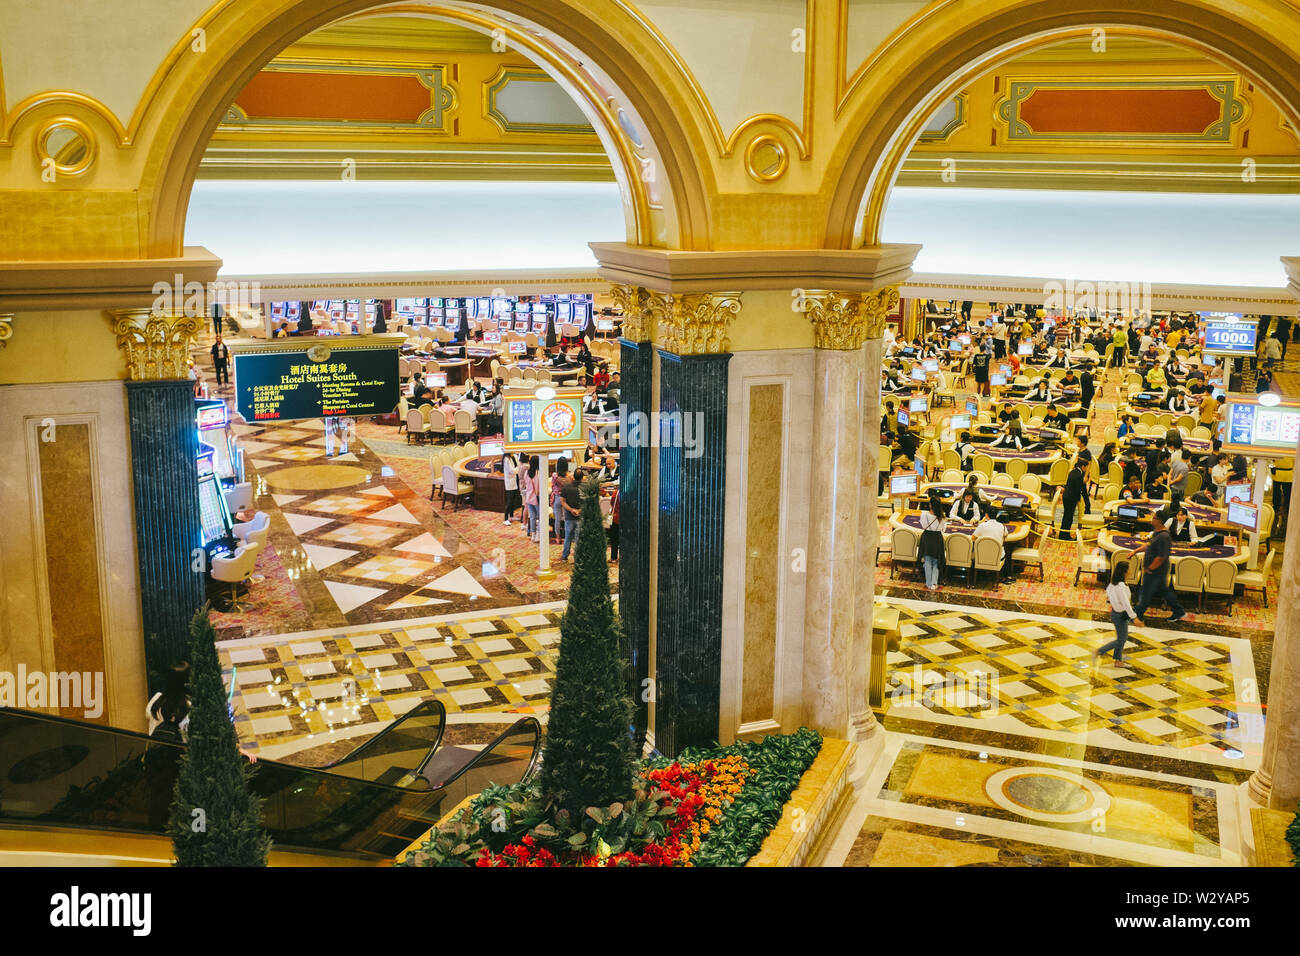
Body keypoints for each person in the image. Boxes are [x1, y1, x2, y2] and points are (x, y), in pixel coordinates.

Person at [1131, 509, 1186, 624]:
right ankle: (1179, 610)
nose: (1152, 519)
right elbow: (1149, 545)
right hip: (1154, 570)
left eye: (1154, 518)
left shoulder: (1164, 537)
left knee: (1145, 592)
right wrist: (1135, 551)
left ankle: (1139, 614)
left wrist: (1150, 568)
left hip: (1156, 570)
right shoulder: (1157, 533)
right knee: (1164, 591)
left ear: (1159, 521)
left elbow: (1161, 557)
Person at [1095, 561, 1139, 663]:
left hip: (1117, 614)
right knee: (1121, 640)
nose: (1130, 570)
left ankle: (1118, 661)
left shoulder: (1113, 584)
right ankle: (1099, 651)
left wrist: (1115, 603)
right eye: (1129, 568)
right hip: (1120, 615)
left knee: (1122, 638)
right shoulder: (1121, 586)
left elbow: (1109, 595)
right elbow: (1125, 603)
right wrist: (1134, 617)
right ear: (1125, 572)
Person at [146, 661, 192, 740]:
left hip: (154, 749)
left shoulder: (156, 700)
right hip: (177, 751)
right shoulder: (187, 706)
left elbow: (147, 715)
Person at [1054, 455, 1089, 540]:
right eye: (1086, 467)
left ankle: (1063, 535)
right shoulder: (1078, 475)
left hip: (1067, 497)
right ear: (1083, 466)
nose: (1086, 469)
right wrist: (1079, 499)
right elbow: (1077, 489)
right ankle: (1064, 536)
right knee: (1068, 518)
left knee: (1067, 517)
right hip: (1070, 499)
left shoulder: (1073, 472)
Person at [918, 493, 947, 591]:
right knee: (936, 562)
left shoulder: (924, 514)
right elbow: (943, 529)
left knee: (927, 561)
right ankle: (934, 583)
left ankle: (928, 583)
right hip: (937, 539)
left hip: (927, 538)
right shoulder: (942, 517)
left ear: (930, 505)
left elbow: (923, 525)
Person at [558, 469, 583, 561]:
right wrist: (579, 511)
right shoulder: (585, 488)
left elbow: (562, 501)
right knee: (578, 537)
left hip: (569, 516)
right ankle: (578, 557)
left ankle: (565, 556)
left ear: (573, 477)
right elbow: (587, 502)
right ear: (582, 478)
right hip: (581, 516)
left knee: (568, 536)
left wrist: (571, 510)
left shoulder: (566, 487)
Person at [522, 455, 540, 541]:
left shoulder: (527, 472)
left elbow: (526, 483)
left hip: (528, 497)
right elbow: (537, 489)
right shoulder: (536, 474)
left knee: (532, 517)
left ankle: (533, 534)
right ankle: (538, 534)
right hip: (536, 498)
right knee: (540, 517)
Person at [502, 451, 521, 526]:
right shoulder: (506, 459)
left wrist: (517, 469)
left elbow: (518, 467)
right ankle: (506, 518)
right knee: (509, 500)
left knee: (513, 499)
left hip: (515, 480)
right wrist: (517, 469)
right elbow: (511, 471)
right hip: (510, 482)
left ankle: (512, 516)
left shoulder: (515, 457)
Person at [608, 488, 620, 562]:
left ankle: (614, 557)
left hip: (615, 518)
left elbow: (612, 503)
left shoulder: (616, 493)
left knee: (614, 539)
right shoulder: (631, 492)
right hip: (626, 519)